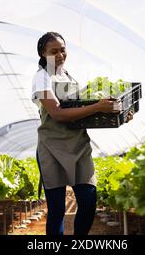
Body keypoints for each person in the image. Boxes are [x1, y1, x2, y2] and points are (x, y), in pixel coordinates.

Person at [31, 31, 133, 235]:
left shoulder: (67, 75)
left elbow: (80, 112)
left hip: (79, 145)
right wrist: (97, 107)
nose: (60, 55)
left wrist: (118, 115)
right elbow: (58, 114)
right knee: (57, 209)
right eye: (54, 51)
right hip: (52, 148)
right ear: (43, 53)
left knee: (88, 201)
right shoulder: (41, 79)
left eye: (63, 50)